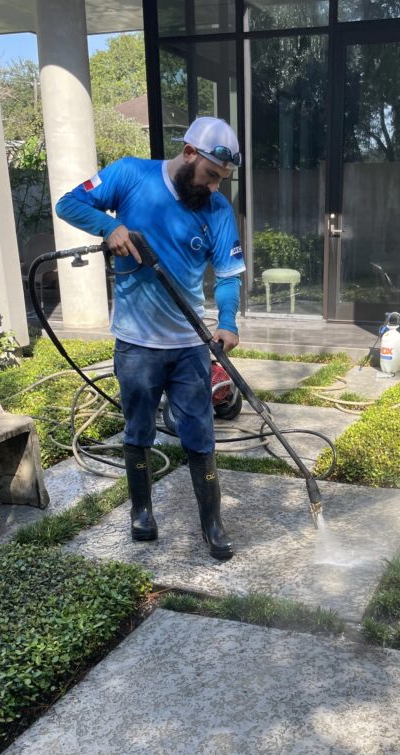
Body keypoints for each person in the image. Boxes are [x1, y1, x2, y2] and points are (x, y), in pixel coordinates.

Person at [55, 116, 245, 560]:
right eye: (211, 176)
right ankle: (141, 513)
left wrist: (229, 320)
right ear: (190, 153)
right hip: (137, 344)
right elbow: (68, 203)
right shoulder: (129, 174)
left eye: (222, 180)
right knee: (138, 427)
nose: (214, 187)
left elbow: (230, 274)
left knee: (199, 432)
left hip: (189, 343)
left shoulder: (216, 210)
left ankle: (212, 522)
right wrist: (109, 227)